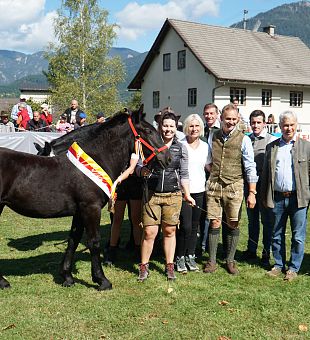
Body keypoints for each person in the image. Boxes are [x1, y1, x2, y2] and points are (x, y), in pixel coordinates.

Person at [137, 110, 195, 282]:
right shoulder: (150, 144)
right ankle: (144, 267)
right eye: (165, 125)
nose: (168, 129)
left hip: (173, 195)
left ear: (176, 127)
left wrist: (188, 194)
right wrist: (142, 171)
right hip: (152, 194)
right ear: (160, 126)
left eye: (171, 126)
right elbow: (138, 166)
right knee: (149, 232)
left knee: (169, 231)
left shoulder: (181, 148)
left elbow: (183, 173)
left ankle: (169, 266)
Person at [203, 103, 258, 275]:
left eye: (234, 119)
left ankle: (230, 260)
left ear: (238, 119)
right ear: (221, 118)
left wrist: (252, 192)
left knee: (233, 222)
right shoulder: (213, 136)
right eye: (228, 119)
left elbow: (250, 167)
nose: (231, 122)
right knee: (214, 221)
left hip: (235, 186)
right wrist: (211, 169)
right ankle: (211, 261)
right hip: (214, 185)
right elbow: (208, 159)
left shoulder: (245, 139)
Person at [261, 110, 310, 281]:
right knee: (276, 233)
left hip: (299, 198)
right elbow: (266, 174)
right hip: (278, 197)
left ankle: (294, 268)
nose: (288, 128)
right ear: (280, 126)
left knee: (298, 236)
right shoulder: (272, 147)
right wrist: (264, 196)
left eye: (291, 125)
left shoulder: (306, 147)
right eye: (285, 125)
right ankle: (278, 265)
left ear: (296, 126)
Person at [176, 114, 211, 273]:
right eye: (191, 126)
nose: (194, 129)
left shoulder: (205, 146)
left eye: (197, 126)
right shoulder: (180, 144)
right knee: (185, 226)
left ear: (201, 128)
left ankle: (191, 255)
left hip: (200, 191)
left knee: (196, 226)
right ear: (186, 128)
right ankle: (180, 257)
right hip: (183, 192)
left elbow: (209, 167)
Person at [241, 110, 276, 267]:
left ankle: (266, 252)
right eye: (253, 122)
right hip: (249, 186)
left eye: (258, 122)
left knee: (267, 221)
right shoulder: (246, 140)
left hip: (266, 187)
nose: (255, 125)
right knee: (252, 220)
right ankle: (251, 249)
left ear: (264, 123)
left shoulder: (272, 141)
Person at [104, 153, 143, 265]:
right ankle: (112, 250)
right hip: (120, 185)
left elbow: (132, 169)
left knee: (136, 220)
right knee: (117, 219)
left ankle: (138, 250)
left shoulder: (135, 147)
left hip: (134, 183)